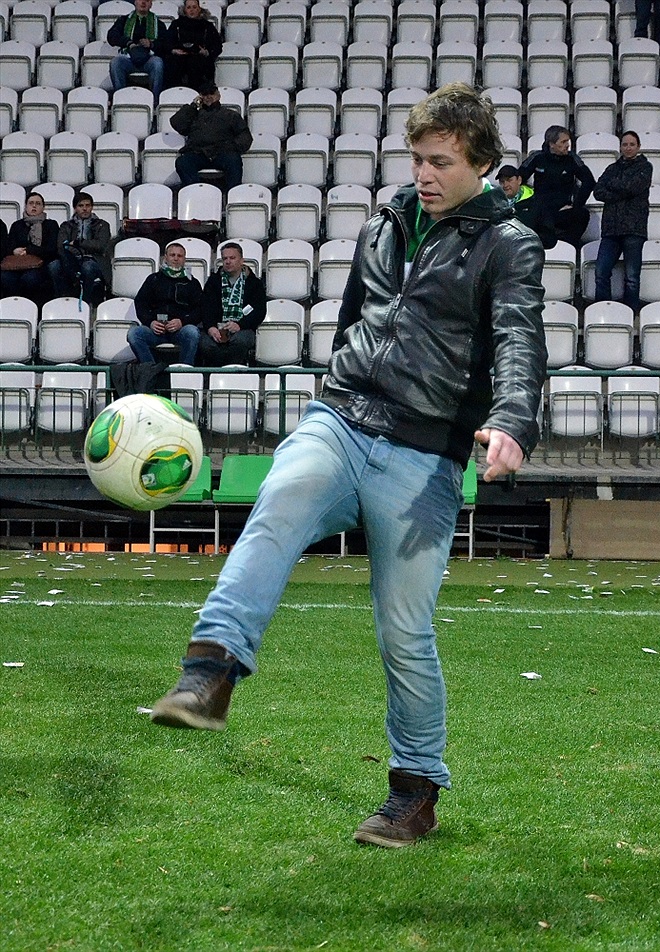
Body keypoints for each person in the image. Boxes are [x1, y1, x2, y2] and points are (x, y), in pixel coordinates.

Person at [149, 83, 547, 849]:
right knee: (279, 506)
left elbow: (520, 342)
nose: (423, 175)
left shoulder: (510, 243)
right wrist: (337, 382)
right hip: (343, 416)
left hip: (425, 452)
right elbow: (353, 322)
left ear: (482, 164)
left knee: (405, 632)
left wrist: (510, 420)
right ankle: (210, 671)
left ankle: (414, 792)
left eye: (441, 162)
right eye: (417, 159)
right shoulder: (386, 220)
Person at [594, 131, 653, 313]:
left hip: (634, 229)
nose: (628, 148)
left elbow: (633, 187)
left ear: (638, 147)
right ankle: (602, 311)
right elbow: (598, 191)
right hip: (611, 229)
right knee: (601, 272)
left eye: (632, 144)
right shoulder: (612, 168)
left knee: (632, 277)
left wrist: (613, 187)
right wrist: (622, 190)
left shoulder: (645, 167)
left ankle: (630, 313)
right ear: (620, 147)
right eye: (625, 144)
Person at [517, 126, 596, 249]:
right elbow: (518, 178)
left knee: (582, 214)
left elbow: (589, 181)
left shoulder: (572, 159)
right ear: (552, 144)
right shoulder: (537, 158)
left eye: (568, 141)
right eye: (563, 142)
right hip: (540, 210)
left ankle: (566, 247)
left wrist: (576, 204)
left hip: (562, 210)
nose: (568, 145)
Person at [127, 242, 202, 364]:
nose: (176, 258)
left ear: (184, 259)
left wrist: (182, 322)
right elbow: (141, 304)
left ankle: (184, 372)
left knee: (192, 332)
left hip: (181, 330)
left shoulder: (192, 283)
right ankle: (150, 369)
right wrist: (150, 322)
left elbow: (199, 309)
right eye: (172, 255)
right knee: (134, 334)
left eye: (180, 256)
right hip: (155, 330)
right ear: (165, 257)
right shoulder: (153, 279)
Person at [171, 81, 252, 192]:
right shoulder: (193, 115)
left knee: (234, 161)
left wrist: (232, 147)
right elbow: (177, 123)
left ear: (218, 95)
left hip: (222, 153)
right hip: (198, 153)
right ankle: (195, 192)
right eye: (205, 94)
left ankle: (233, 194)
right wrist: (193, 106)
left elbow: (245, 135)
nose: (208, 97)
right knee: (183, 162)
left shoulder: (230, 115)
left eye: (211, 93)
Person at [197, 241, 266, 366]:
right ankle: (215, 376)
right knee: (206, 344)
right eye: (225, 258)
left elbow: (259, 311)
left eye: (232, 258)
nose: (228, 261)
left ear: (241, 260)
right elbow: (205, 307)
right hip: (217, 327)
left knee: (240, 341)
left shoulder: (254, 283)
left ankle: (232, 373)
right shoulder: (213, 281)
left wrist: (240, 325)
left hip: (242, 328)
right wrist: (211, 327)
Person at [48, 193, 111, 306]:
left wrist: (78, 243)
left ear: (92, 207)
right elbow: (62, 246)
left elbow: (100, 245)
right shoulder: (66, 226)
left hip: (95, 260)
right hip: (70, 259)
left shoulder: (102, 225)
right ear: (75, 208)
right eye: (81, 205)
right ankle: (61, 299)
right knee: (54, 266)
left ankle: (85, 301)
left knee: (87, 267)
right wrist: (79, 249)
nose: (85, 208)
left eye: (88, 205)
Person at [1, 192, 59, 306]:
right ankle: (14, 308)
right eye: (31, 203)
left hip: (41, 264)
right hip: (16, 265)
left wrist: (29, 250)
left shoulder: (51, 225)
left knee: (30, 279)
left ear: (43, 207)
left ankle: (31, 309)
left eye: (38, 203)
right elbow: (9, 247)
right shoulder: (17, 225)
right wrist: (14, 251)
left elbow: (52, 249)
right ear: (26, 206)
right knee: (5, 277)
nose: (34, 206)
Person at [107, 0, 168, 104]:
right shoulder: (124, 20)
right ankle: (120, 100)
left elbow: (165, 44)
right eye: (140, 0)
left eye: (147, 0)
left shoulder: (159, 24)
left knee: (158, 63)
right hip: (128, 58)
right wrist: (128, 43)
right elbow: (111, 36)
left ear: (151, 4)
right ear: (135, 2)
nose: (143, 2)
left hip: (149, 59)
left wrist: (151, 44)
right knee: (116, 63)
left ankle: (154, 102)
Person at [164, 0, 222, 91]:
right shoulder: (176, 25)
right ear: (184, 10)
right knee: (172, 64)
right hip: (178, 58)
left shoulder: (208, 26)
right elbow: (167, 42)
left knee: (197, 64)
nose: (192, 10)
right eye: (189, 7)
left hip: (199, 59)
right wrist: (173, 50)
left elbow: (217, 45)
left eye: (194, 7)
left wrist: (207, 52)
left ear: (199, 9)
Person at [495, 164, 537, 232]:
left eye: (509, 180)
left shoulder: (535, 202)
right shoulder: (494, 203)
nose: (505, 185)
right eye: (502, 181)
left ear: (519, 180)